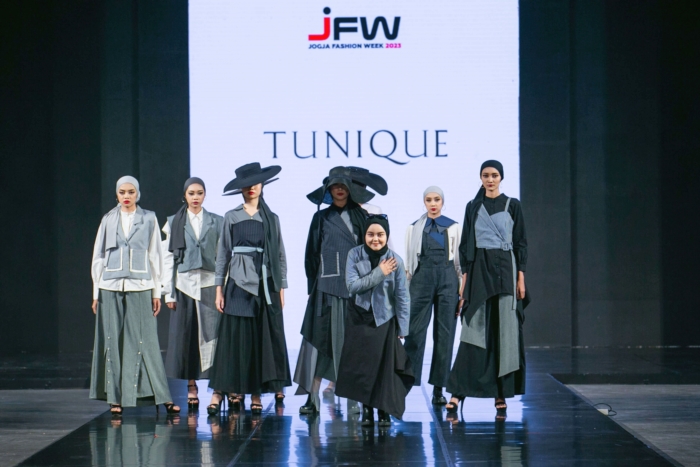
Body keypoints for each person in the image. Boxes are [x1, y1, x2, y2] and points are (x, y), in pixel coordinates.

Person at [294, 167, 384, 415]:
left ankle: (355, 398)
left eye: (343, 185)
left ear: (350, 188)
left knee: (354, 345)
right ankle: (312, 398)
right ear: (328, 189)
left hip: (356, 289)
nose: (339, 189)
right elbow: (311, 254)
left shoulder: (362, 216)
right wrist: (313, 287)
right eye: (335, 185)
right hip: (325, 288)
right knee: (317, 342)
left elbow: (372, 251)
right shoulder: (321, 218)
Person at [90, 176, 180, 416]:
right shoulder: (108, 219)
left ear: (137, 193)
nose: (126, 196)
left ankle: (162, 397)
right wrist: (96, 291)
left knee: (146, 341)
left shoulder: (149, 218)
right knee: (112, 340)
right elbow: (99, 256)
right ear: (117, 194)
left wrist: (157, 291)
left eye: (131, 192)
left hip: (140, 284)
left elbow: (155, 255)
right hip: (110, 286)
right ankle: (114, 399)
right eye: (122, 192)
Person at [207, 163, 291, 415]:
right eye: (246, 184)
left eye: (255, 183)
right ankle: (230, 390)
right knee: (235, 339)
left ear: (262, 185)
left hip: (266, 284)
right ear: (240, 189)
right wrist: (219, 289)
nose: (251, 187)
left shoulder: (271, 218)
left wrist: (281, 288)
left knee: (259, 338)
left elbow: (280, 255)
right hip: (237, 282)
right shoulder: (231, 216)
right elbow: (223, 254)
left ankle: (256, 393)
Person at [446, 160, 529, 414]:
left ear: (501, 177)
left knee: (504, 332)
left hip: (506, 271)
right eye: (486, 175)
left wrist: (521, 278)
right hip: (480, 271)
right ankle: (458, 392)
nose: (490, 179)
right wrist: (464, 282)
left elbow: (520, 243)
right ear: (480, 178)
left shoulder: (512, 204)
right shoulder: (473, 206)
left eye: (494, 175)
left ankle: (500, 392)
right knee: (473, 330)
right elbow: (466, 246)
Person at [335, 215, 414, 427]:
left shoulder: (395, 260)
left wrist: (403, 328)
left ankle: (383, 410)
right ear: (364, 235)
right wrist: (380, 272)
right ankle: (367, 410)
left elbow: (402, 297)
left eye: (380, 234)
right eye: (371, 234)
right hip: (358, 318)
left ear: (387, 236)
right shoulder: (354, 254)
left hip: (384, 320)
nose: (375, 239)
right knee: (363, 368)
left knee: (384, 368)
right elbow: (353, 286)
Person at [161, 177, 223, 410]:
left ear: (205, 195)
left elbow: (222, 256)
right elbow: (168, 259)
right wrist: (168, 293)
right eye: (191, 193)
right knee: (186, 336)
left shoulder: (217, 221)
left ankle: (218, 387)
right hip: (184, 284)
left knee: (213, 336)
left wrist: (223, 288)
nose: (195, 197)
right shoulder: (173, 222)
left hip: (209, 283)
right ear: (184, 196)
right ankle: (191, 385)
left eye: (199, 193)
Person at [404, 186, 464, 404]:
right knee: (414, 332)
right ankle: (404, 384)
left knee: (445, 333)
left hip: (448, 279)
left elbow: (459, 262)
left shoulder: (454, 227)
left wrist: (461, 290)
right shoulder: (413, 228)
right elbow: (409, 263)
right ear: (424, 202)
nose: (433, 203)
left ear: (442, 202)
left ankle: (439, 388)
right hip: (421, 279)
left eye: (437, 199)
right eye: (429, 199)